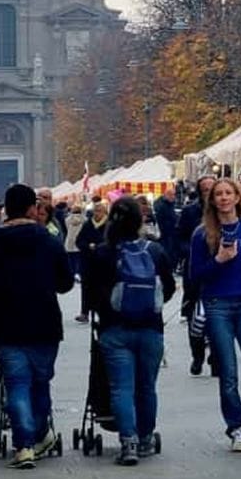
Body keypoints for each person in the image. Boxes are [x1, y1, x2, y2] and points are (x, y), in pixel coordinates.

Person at [0, 184, 74, 469]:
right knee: (40, 383)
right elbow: (65, 283)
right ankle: (41, 436)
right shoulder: (49, 240)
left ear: (6, 209)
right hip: (44, 324)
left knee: (16, 384)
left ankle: (24, 446)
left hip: (5, 326)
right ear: (32, 208)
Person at [86, 196, 176, 465]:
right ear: (141, 220)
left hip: (114, 330)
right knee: (147, 387)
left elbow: (90, 293)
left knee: (121, 388)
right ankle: (146, 437)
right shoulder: (155, 251)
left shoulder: (102, 252)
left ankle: (129, 443)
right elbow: (168, 288)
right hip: (150, 329)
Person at [188, 178, 241, 452]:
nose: (224, 198)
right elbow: (194, 275)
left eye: (228, 193)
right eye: (218, 194)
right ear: (212, 200)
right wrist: (218, 260)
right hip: (217, 304)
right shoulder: (203, 234)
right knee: (227, 372)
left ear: (238, 198)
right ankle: (236, 426)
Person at [179, 176, 215, 376]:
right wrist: (190, 250)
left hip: (220, 271)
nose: (209, 192)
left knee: (218, 316)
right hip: (195, 271)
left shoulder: (225, 213)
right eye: (205, 189)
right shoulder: (190, 211)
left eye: (212, 188)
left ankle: (217, 355)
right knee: (195, 316)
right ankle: (198, 354)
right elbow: (180, 237)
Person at [75, 201, 108, 324]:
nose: (97, 213)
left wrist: (99, 247)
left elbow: (111, 242)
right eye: (95, 211)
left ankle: (102, 312)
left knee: (102, 288)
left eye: (99, 211)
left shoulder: (108, 225)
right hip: (88, 261)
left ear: (105, 212)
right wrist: (88, 246)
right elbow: (79, 241)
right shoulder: (87, 224)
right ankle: (84, 312)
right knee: (86, 287)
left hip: (102, 262)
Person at [153, 187, 179, 267]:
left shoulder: (168, 204)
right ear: (166, 195)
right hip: (165, 236)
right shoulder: (161, 206)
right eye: (171, 195)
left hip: (170, 235)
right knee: (167, 256)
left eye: (174, 195)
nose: (173, 197)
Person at [64, 204, 85, 279]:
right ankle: (78, 273)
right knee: (79, 259)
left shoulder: (67, 219)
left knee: (71, 258)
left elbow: (66, 229)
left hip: (69, 241)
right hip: (80, 241)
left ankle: (72, 273)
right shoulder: (85, 219)